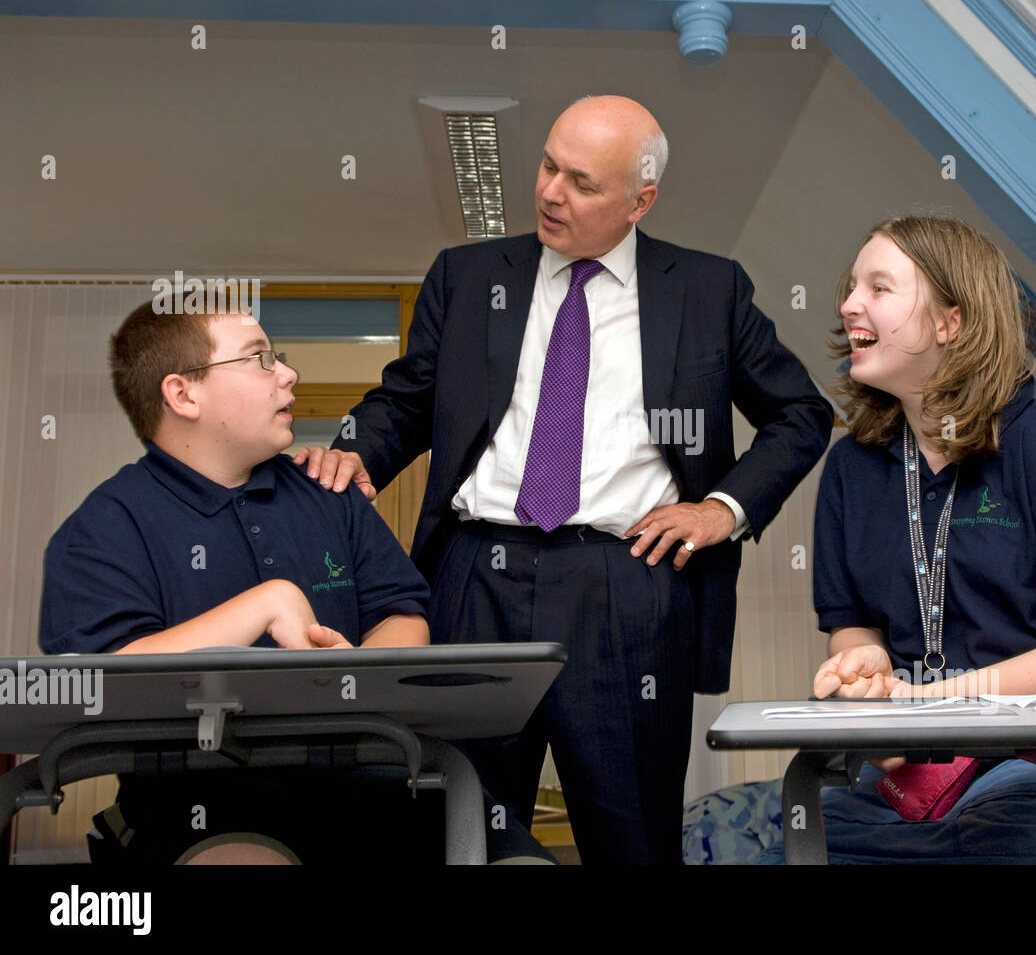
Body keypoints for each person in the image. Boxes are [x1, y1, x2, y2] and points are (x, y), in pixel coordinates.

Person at [296, 95, 834, 864]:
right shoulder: (468, 274)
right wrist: (355, 448)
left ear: (639, 201)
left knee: (633, 839)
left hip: (627, 585)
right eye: (548, 165)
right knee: (459, 826)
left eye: (581, 182)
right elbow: (408, 399)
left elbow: (800, 412)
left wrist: (723, 508)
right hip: (474, 577)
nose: (550, 191)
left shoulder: (708, 289)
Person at [682, 214, 1036, 864]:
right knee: (710, 834)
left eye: (879, 289)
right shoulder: (852, 468)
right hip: (904, 786)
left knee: (1007, 828)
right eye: (852, 287)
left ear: (951, 322)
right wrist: (867, 671)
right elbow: (855, 631)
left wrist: (933, 702)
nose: (848, 304)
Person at [39, 300, 545, 864]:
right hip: (197, 797)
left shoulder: (328, 492)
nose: (288, 373)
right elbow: (103, 682)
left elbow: (400, 614)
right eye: (259, 360)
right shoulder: (107, 524)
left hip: (370, 779)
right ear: (183, 395)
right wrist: (265, 605)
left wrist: (358, 678)